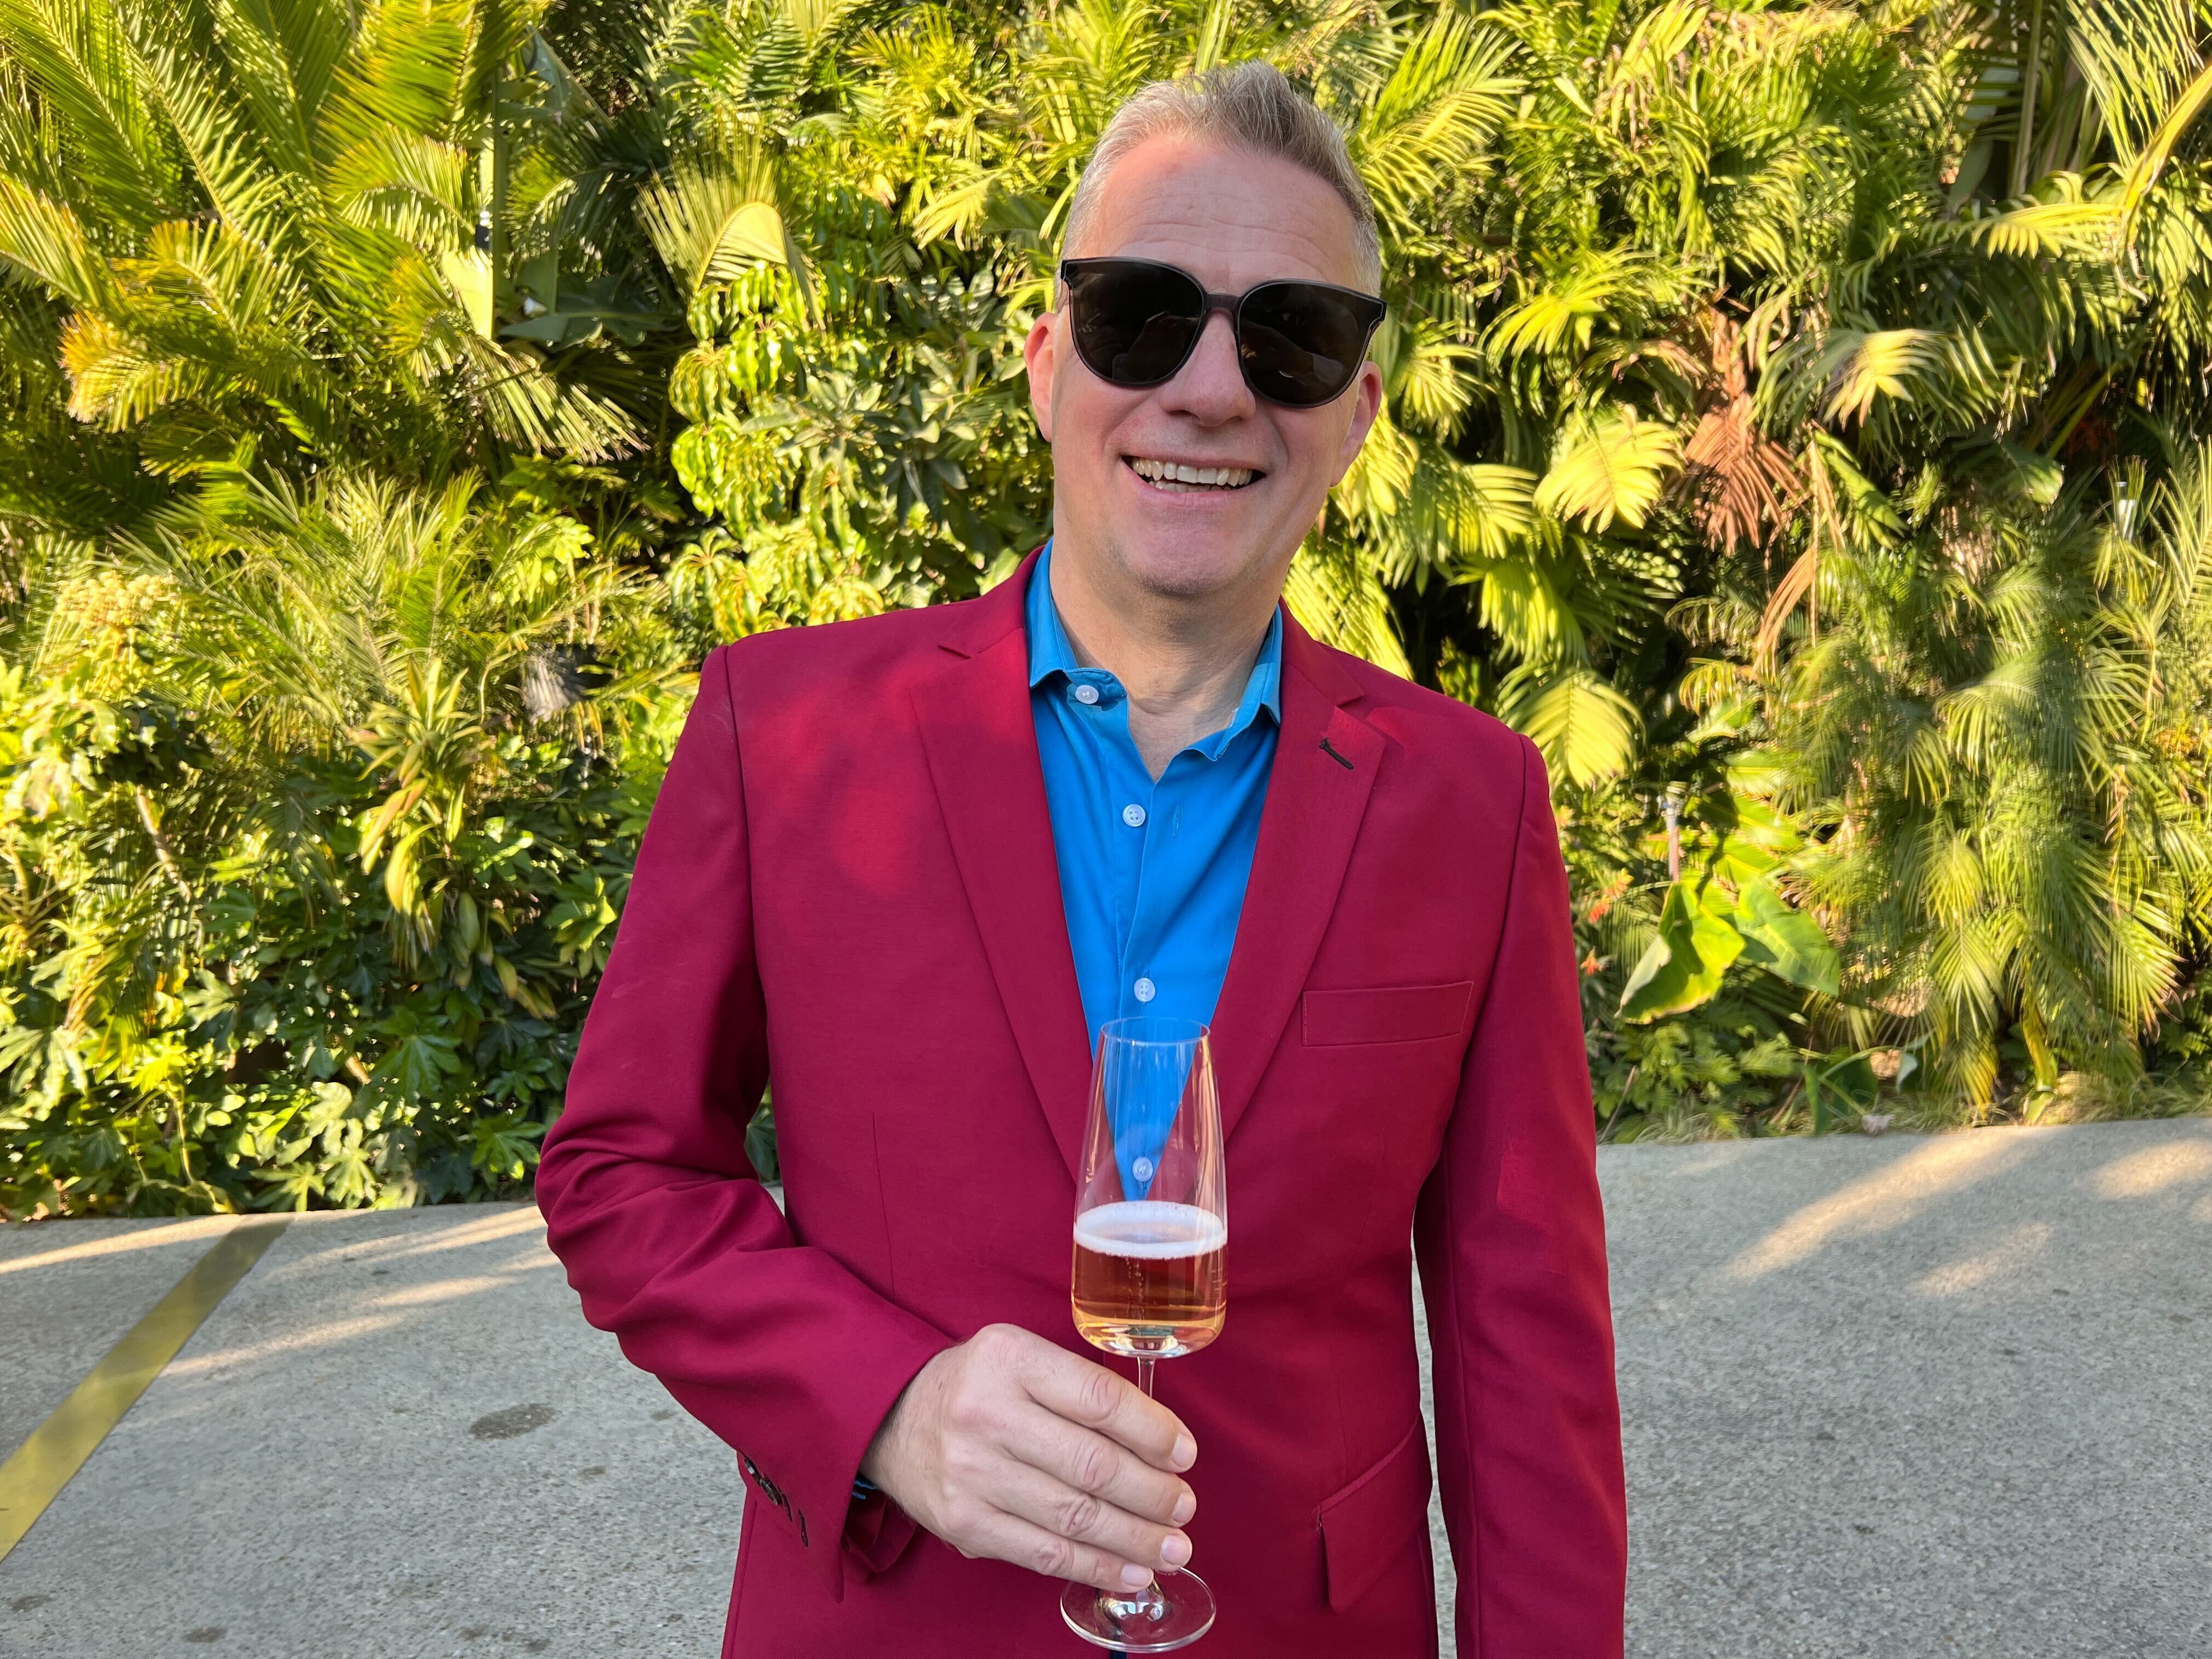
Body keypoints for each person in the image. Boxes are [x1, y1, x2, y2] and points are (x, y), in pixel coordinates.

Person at [537, 60, 1626, 1658]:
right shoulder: (784, 730)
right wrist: (887, 1400)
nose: (1209, 386)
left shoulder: (1473, 799)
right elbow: (622, 1176)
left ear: (1357, 415)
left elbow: (1523, 1342)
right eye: (1140, 315)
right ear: (1045, 364)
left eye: (1292, 337)